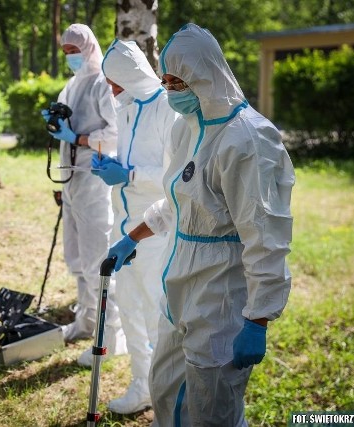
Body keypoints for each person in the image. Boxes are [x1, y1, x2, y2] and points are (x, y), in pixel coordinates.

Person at [107, 24, 295, 426]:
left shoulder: (247, 139)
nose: (171, 90)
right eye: (166, 80)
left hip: (222, 296)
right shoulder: (186, 127)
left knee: (212, 411)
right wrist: (132, 236)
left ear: (206, 74)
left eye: (180, 81)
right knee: (164, 386)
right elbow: (178, 202)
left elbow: (266, 235)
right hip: (179, 283)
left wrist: (258, 318)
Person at [91, 39, 187, 414]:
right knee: (129, 308)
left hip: (154, 233)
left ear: (129, 77)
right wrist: (114, 166)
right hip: (124, 226)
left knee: (155, 314)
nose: (112, 89)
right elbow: (133, 161)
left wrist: (127, 174)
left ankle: (167, 395)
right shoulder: (127, 108)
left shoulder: (168, 109)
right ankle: (141, 386)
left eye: (115, 81)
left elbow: (173, 176)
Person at [42, 24, 126, 363]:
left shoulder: (101, 83)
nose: (70, 57)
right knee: (76, 258)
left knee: (96, 260)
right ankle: (86, 321)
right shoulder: (71, 85)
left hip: (93, 180)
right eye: (65, 51)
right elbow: (64, 133)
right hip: (72, 181)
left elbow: (115, 134)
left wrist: (78, 138)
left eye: (74, 50)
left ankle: (111, 337)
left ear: (89, 47)